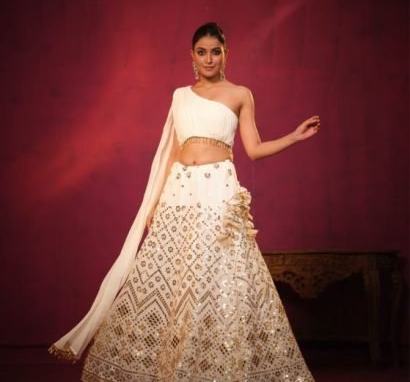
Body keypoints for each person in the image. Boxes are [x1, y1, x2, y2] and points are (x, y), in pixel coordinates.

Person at [50, 22, 320, 381]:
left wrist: (293, 137)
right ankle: (174, 366)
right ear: (192, 56)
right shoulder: (180, 96)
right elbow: (173, 153)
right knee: (174, 278)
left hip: (218, 191)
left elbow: (254, 150)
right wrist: (155, 203)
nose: (209, 59)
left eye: (215, 51)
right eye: (201, 52)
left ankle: (218, 366)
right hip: (179, 192)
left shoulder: (240, 94)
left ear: (226, 53)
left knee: (217, 275)